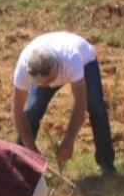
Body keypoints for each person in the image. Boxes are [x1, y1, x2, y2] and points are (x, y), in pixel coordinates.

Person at [11, 31, 117, 176]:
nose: (45, 86)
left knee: (96, 106)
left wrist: (68, 140)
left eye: (48, 81)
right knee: (32, 110)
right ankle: (20, 166)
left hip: (86, 61)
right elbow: (17, 112)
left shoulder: (72, 59)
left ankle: (107, 164)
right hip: (50, 57)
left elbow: (80, 103)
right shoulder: (24, 67)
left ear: (56, 67)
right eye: (39, 83)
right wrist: (32, 150)